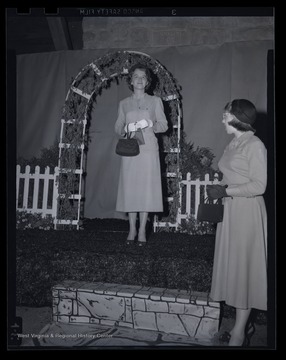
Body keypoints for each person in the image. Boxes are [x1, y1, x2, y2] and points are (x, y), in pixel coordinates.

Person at [207, 99, 267, 346]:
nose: (222, 118)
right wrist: (219, 187)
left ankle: (240, 332)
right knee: (234, 267)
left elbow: (259, 185)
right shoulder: (233, 143)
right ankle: (245, 325)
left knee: (244, 269)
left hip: (247, 212)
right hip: (230, 211)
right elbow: (232, 176)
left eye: (226, 114)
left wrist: (227, 191)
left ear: (237, 118)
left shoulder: (255, 145)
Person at [114, 63, 168, 245]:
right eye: (135, 76)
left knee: (146, 190)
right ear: (130, 80)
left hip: (148, 151)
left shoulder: (155, 102)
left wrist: (149, 124)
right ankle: (131, 229)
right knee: (131, 190)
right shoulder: (123, 103)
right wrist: (127, 128)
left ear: (147, 81)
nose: (139, 79)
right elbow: (117, 126)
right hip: (130, 151)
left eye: (143, 77)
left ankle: (143, 230)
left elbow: (164, 125)